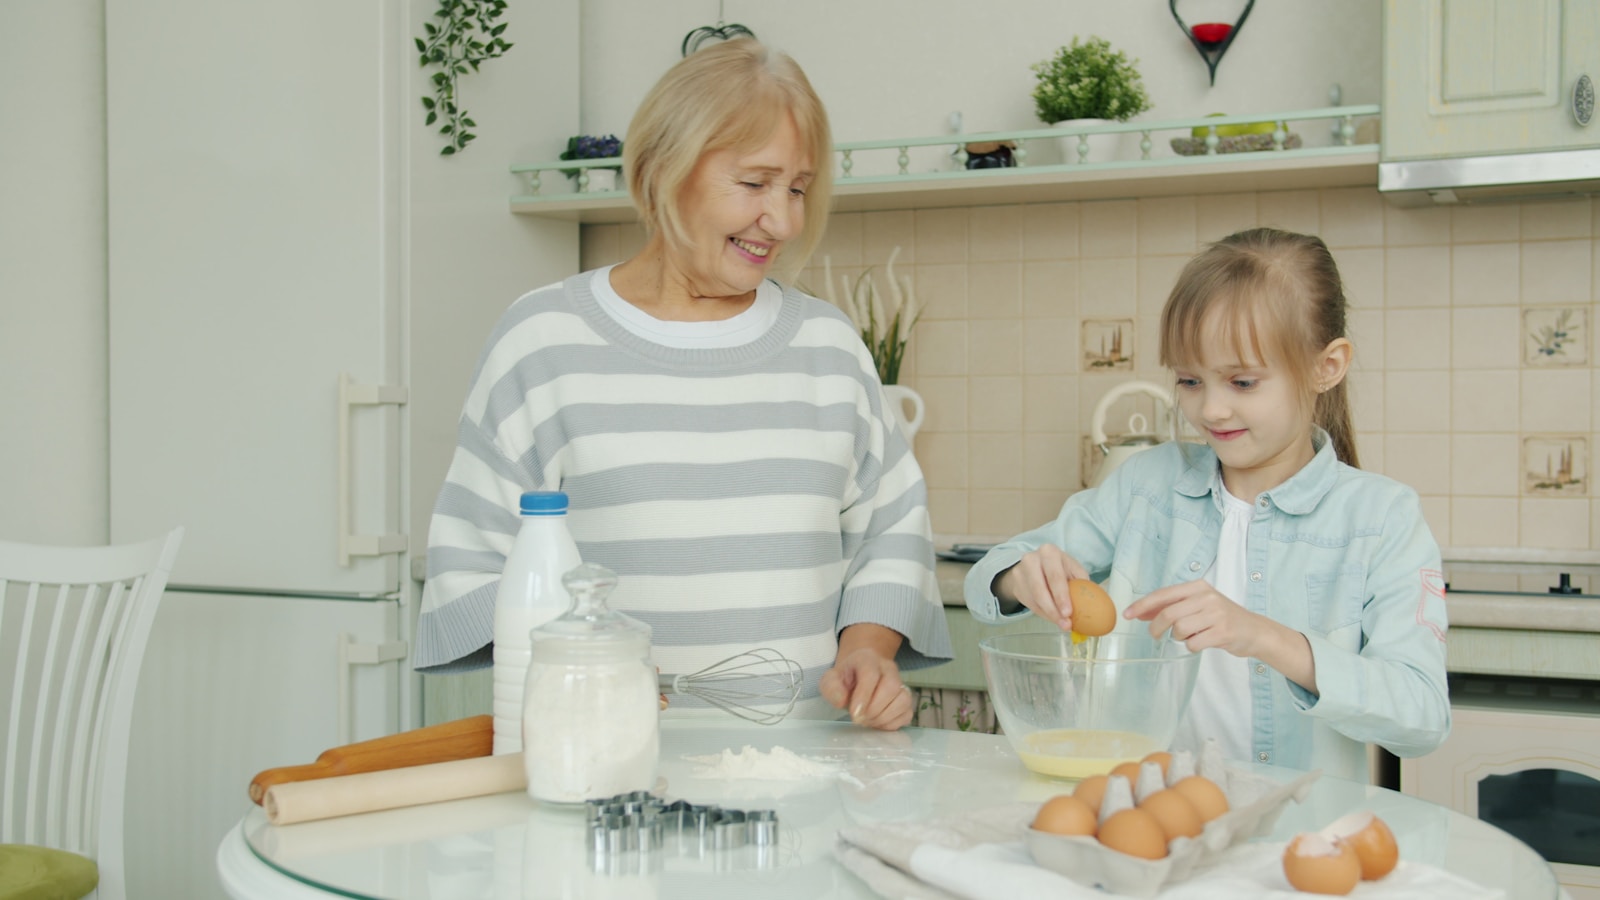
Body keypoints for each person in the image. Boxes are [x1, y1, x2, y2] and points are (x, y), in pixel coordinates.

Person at [414, 38, 950, 731]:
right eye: (755, 184)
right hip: (606, 778)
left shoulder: (828, 348)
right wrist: (589, 673)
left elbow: (892, 531)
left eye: (798, 189)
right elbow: (473, 562)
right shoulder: (544, 342)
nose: (783, 221)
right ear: (663, 170)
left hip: (807, 778)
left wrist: (869, 652)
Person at [963, 227, 1449, 780]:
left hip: (1296, 835)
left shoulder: (1381, 519)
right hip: (1146, 814)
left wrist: (1265, 637)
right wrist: (1018, 578)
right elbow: (984, 585)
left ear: (1327, 366)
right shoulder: (1147, 487)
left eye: (1242, 382)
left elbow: (1423, 716)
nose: (1211, 409)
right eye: (1190, 380)